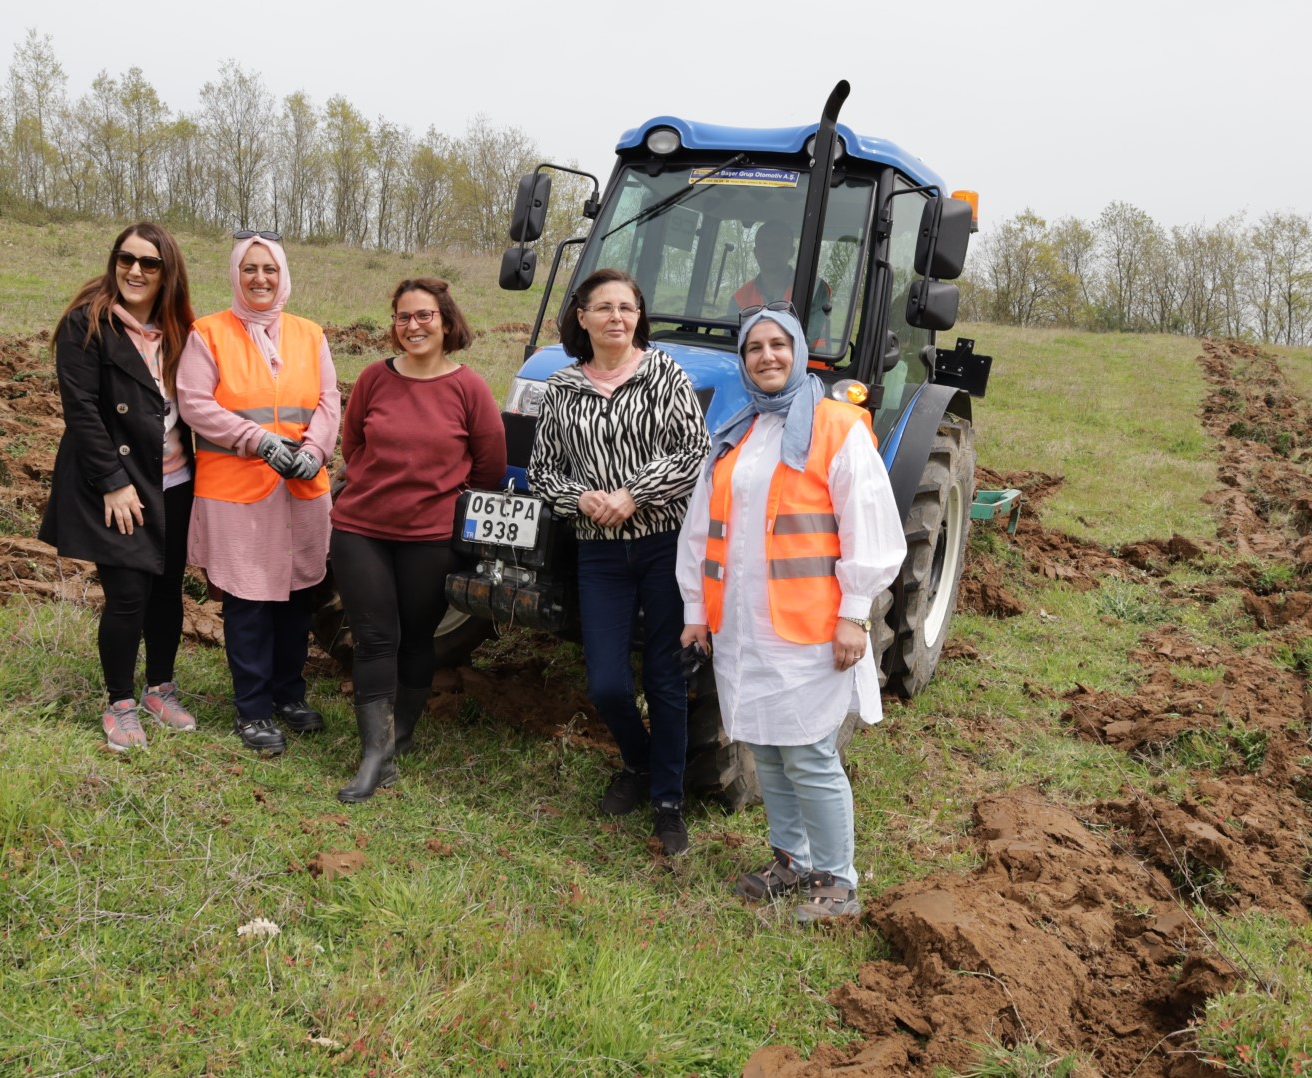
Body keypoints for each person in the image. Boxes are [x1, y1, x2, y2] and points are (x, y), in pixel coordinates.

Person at [677, 308, 903, 921]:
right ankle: (792, 859)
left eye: (779, 344)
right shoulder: (735, 430)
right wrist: (696, 609)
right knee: (766, 746)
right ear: (743, 359)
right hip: (742, 626)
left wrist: (855, 613)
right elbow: (702, 530)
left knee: (808, 753)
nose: (767, 356)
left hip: (808, 627)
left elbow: (869, 526)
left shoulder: (837, 427)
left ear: (800, 352)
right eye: (755, 347)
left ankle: (839, 879)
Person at [529, 269, 709, 855]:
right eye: (602, 307)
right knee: (607, 683)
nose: (615, 317)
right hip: (598, 552)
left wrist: (634, 494)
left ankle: (667, 801)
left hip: (662, 544)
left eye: (626, 307)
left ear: (639, 316)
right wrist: (580, 499)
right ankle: (640, 763)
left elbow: (693, 453)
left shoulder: (665, 375)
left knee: (663, 677)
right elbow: (542, 472)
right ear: (580, 317)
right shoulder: (561, 388)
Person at [329, 278, 506, 803]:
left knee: (415, 638)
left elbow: (490, 464)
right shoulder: (373, 379)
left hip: (430, 536)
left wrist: (443, 501)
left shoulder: (468, 388)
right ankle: (374, 756)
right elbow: (353, 442)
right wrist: (372, 487)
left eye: (425, 316)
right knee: (375, 636)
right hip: (361, 528)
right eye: (404, 317)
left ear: (446, 322)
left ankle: (400, 732)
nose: (414, 326)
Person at [176, 231, 338, 756]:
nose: (261, 279)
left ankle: (290, 695)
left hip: (300, 489)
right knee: (248, 602)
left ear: (283, 275)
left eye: (269, 269)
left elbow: (328, 402)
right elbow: (196, 404)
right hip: (237, 492)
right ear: (235, 276)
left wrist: (314, 450)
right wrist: (258, 440)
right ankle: (253, 709)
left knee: (295, 598)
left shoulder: (309, 335)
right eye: (250, 269)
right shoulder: (208, 334)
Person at [39, 222, 199, 753]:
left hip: (174, 480)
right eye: (125, 259)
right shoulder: (86, 324)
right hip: (117, 484)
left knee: (166, 590)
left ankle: (160, 688)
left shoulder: (179, 329)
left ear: (166, 272)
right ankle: (120, 702)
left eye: (148, 263)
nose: (134, 270)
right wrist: (112, 482)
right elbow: (81, 411)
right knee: (129, 594)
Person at [730, 221, 832, 349]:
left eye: (777, 245)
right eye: (764, 245)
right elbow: (729, 340)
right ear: (756, 253)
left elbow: (805, 339)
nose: (770, 250)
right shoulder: (740, 297)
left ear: (791, 252)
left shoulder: (814, 289)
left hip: (810, 366)